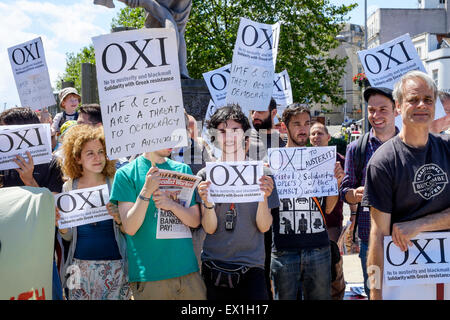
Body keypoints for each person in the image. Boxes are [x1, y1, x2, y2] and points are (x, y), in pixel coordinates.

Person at [362, 71, 450, 300]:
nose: (422, 105)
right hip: (404, 279)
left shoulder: (448, 149)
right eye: (413, 99)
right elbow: (378, 234)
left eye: (428, 99)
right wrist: (375, 291)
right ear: (399, 107)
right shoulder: (382, 162)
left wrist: (420, 225)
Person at [196, 104, 279, 300]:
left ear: (244, 134)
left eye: (235, 130)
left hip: (252, 267)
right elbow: (208, 228)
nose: (229, 136)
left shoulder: (263, 174)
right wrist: (207, 202)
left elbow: (264, 226)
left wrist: (263, 197)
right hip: (213, 265)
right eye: (223, 131)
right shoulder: (205, 175)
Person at [109, 146, 206, 299]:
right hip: (150, 277)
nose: (172, 142)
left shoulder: (183, 169)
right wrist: (147, 190)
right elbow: (130, 227)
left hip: (188, 272)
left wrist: (172, 205)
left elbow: (194, 221)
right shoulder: (125, 174)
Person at [270, 104, 341, 300]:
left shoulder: (321, 160)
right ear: (284, 127)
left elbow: (328, 208)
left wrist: (334, 183)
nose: (303, 129)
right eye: (296, 124)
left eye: (306, 123)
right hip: (284, 250)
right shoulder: (273, 162)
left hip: (318, 247)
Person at [56, 125, 130, 300]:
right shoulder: (69, 187)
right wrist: (62, 226)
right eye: (90, 153)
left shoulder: (115, 181)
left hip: (116, 266)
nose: (98, 158)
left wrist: (119, 219)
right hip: (79, 269)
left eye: (101, 152)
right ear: (77, 158)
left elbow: (129, 230)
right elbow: (68, 238)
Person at [339, 86, 398, 298]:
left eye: (383, 109)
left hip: (405, 238)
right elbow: (344, 190)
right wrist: (354, 195)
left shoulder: (409, 145)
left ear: (396, 110)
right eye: (372, 110)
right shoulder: (357, 148)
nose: (376, 115)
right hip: (369, 241)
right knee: (374, 292)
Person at [0, 107, 64, 300]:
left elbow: (53, 214)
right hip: (6, 254)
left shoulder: (51, 164)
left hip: (41, 256)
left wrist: (29, 180)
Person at [249, 97, 286, 298]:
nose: (255, 116)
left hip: (282, 218)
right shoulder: (244, 142)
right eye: (252, 111)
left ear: (273, 113)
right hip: (255, 219)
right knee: (261, 272)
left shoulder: (285, 142)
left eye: (260, 111)